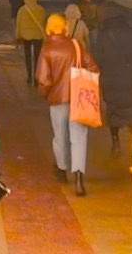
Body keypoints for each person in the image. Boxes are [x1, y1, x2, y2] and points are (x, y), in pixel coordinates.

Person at [35, 12, 98, 195]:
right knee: (78, 137)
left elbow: (43, 79)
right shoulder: (76, 46)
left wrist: (45, 94)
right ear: (65, 28)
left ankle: (61, 170)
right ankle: (79, 178)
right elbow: (93, 68)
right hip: (79, 99)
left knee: (60, 136)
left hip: (57, 100)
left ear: (48, 28)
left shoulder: (47, 49)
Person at [89, 4, 132, 156]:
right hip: (129, 77)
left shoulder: (102, 35)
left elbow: (97, 58)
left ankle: (115, 142)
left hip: (110, 79)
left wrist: (104, 73)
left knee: (113, 110)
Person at [14, 0, 47, 74]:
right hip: (38, 35)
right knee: (37, 56)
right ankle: (36, 75)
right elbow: (43, 21)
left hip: (26, 35)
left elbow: (18, 24)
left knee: (27, 56)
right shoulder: (40, 9)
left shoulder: (22, 10)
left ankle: (29, 75)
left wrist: (18, 36)